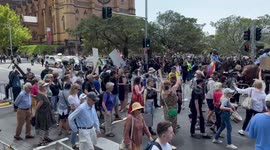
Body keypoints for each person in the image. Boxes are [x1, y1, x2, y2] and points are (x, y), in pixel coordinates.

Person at [35, 81, 56, 146]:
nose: (46, 87)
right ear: (41, 87)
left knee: (47, 126)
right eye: (45, 86)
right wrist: (34, 113)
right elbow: (38, 105)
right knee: (42, 127)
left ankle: (46, 137)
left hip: (47, 113)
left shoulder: (44, 93)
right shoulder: (40, 95)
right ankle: (40, 141)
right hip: (42, 114)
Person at [68, 83, 81, 149]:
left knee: (78, 128)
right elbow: (74, 107)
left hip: (77, 111)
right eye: (78, 89)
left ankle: (77, 142)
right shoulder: (71, 97)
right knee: (74, 130)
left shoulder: (76, 95)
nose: (79, 90)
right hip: (74, 112)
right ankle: (73, 144)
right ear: (74, 89)